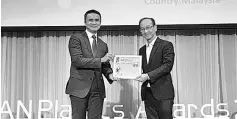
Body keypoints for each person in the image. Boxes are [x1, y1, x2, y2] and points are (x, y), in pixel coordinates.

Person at [65, 9, 116, 119]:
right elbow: (77, 61)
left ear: (100, 22)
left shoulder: (103, 44)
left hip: (97, 89)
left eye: (97, 20)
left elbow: (105, 66)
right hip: (79, 87)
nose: (94, 22)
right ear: (85, 22)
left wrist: (110, 74)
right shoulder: (76, 38)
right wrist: (101, 60)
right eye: (91, 20)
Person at [135, 17, 175, 119]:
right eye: (142, 29)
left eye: (148, 27)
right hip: (147, 93)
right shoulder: (142, 50)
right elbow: (141, 69)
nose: (145, 31)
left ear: (155, 28)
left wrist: (148, 76)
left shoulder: (166, 45)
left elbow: (167, 66)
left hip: (163, 93)